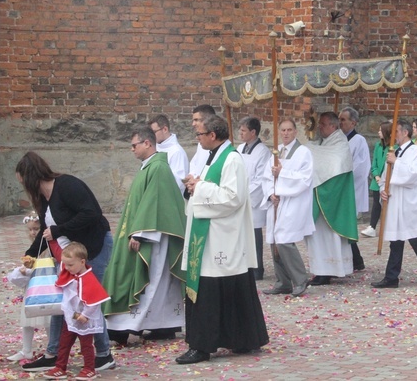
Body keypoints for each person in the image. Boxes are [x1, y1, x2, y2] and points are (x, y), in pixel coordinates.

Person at [177, 114, 268, 364]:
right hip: (209, 233)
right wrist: (194, 186)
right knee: (229, 288)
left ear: (213, 135)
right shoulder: (214, 157)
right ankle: (243, 338)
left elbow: (233, 197)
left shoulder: (232, 159)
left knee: (214, 291)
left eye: (199, 134)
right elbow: (207, 187)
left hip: (222, 237)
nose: (197, 138)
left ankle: (202, 346)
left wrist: (200, 187)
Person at [16, 152, 115, 373]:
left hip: (92, 248)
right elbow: (45, 231)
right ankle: (54, 354)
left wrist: (59, 230)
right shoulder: (43, 198)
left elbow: (92, 213)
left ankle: (103, 354)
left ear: (30, 177)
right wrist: (30, 256)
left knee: (88, 302)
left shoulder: (67, 185)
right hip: (70, 257)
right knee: (63, 303)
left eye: (22, 181)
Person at [103, 126, 186, 345]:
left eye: (134, 145)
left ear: (147, 143)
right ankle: (163, 325)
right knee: (158, 285)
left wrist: (140, 235)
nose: (132, 150)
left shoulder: (157, 168)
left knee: (152, 282)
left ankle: (127, 327)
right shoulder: (148, 167)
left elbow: (155, 204)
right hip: (148, 234)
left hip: (153, 237)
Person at [371, 120, 417, 289]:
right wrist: (383, 188)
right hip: (396, 201)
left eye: (395, 132)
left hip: (409, 202)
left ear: (405, 132)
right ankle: (391, 277)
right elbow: (385, 176)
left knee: (415, 238)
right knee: (396, 240)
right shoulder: (395, 152)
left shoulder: (416, 152)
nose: (392, 135)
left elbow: (413, 175)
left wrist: (396, 162)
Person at [260, 119, 315, 297]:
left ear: (295, 132)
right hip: (277, 202)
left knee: (284, 240)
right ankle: (282, 281)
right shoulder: (276, 153)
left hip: (293, 201)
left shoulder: (303, 152)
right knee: (274, 240)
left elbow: (304, 178)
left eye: (289, 130)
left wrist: (282, 173)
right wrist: (270, 193)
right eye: (282, 130)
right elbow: (266, 177)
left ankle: (300, 279)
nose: (285, 133)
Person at [304, 112, 358, 285]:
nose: (320, 127)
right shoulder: (325, 142)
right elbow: (317, 155)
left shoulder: (340, 144)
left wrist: (309, 151)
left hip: (331, 199)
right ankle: (322, 270)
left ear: (333, 127)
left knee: (329, 238)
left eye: (323, 124)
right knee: (319, 237)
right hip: (322, 195)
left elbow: (329, 166)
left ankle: (327, 271)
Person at [43, 242, 110, 380]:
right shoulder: (70, 272)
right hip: (72, 316)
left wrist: (85, 315)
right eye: (66, 265)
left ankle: (89, 368)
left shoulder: (89, 279)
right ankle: (60, 367)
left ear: (82, 262)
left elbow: (94, 301)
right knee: (64, 343)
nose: (67, 268)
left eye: (70, 265)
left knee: (86, 345)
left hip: (84, 319)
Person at [5, 213, 50, 362]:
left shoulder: (48, 246)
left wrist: (32, 269)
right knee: (28, 317)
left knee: (50, 317)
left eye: (36, 229)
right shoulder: (32, 248)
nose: (33, 233)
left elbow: (50, 265)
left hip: (47, 286)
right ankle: (26, 350)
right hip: (32, 288)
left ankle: (52, 349)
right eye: (30, 230)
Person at [237, 116, 273, 280]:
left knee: (254, 233)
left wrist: (245, 195)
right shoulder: (238, 149)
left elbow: (260, 179)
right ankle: (243, 265)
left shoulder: (263, 152)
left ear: (253, 132)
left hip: (252, 199)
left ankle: (257, 269)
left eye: (243, 130)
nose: (240, 133)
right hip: (239, 195)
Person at [339, 107, 370, 271]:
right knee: (343, 226)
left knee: (346, 225)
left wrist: (343, 176)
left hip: (350, 188)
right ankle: (356, 259)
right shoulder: (339, 139)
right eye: (339, 119)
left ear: (353, 122)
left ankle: (356, 260)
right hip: (340, 188)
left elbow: (361, 167)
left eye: (344, 120)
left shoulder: (359, 140)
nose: (340, 123)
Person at [362, 121, 394, 238]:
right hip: (378, 180)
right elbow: (374, 162)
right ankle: (372, 226)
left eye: (381, 130)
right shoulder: (378, 145)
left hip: (388, 180)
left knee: (388, 204)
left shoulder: (393, 147)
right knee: (376, 203)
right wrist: (376, 175)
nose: (378, 132)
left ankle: (388, 226)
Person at [149, 114, 190, 196]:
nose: (151, 136)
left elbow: (178, 183)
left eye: (154, 132)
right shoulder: (155, 147)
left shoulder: (177, 152)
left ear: (165, 129)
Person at [187, 104, 217, 181]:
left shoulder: (216, 143)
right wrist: (192, 177)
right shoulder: (201, 143)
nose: (193, 124)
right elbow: (195, 164)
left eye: (196, 120)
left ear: (207, 120)